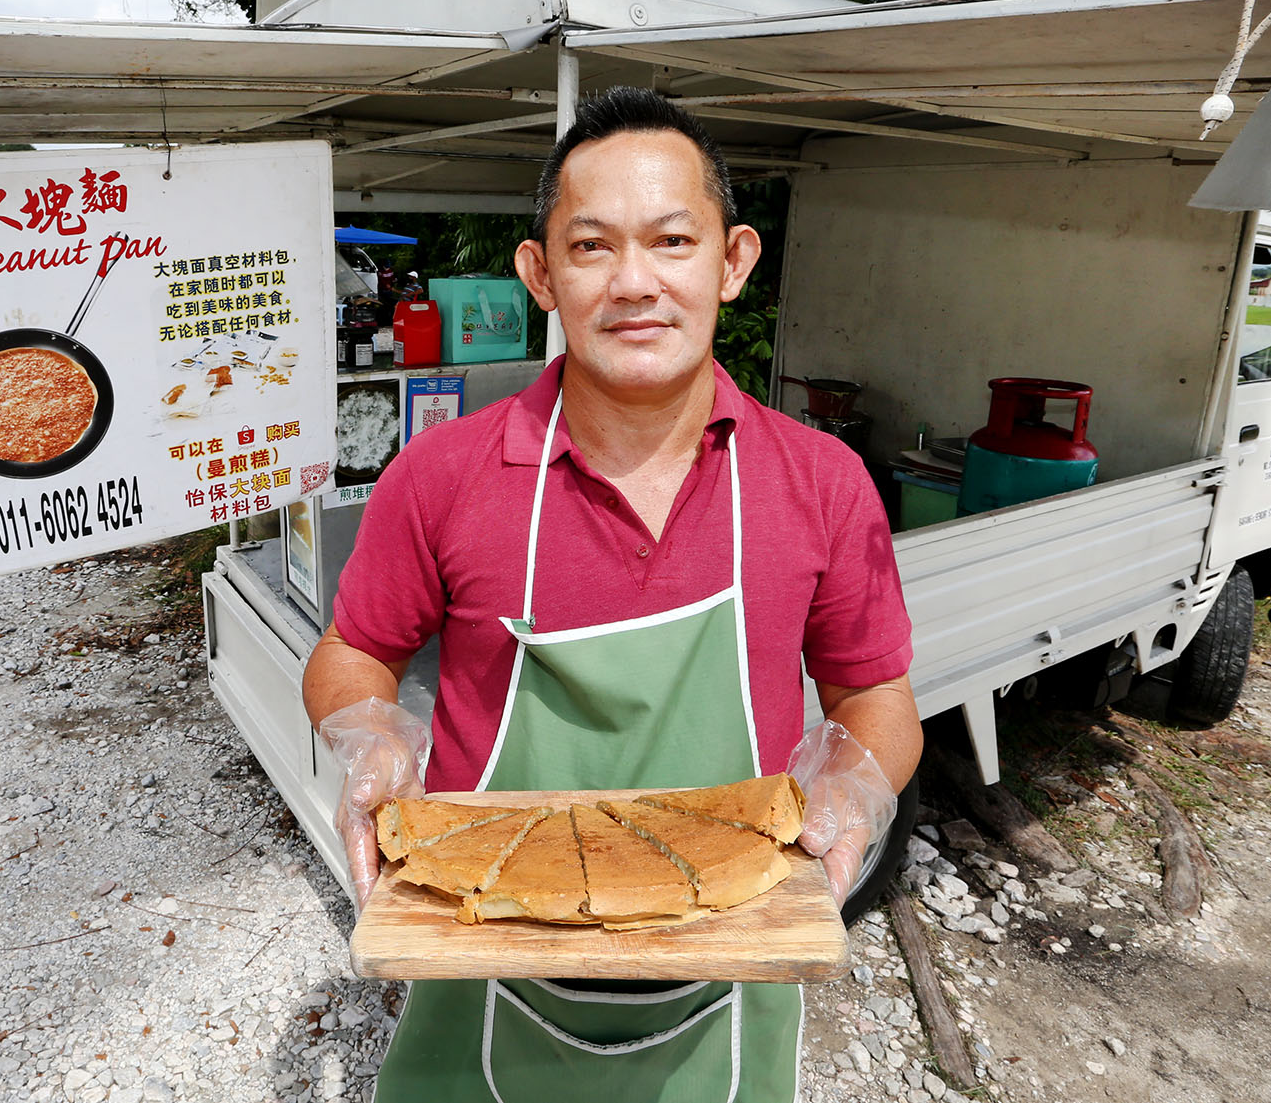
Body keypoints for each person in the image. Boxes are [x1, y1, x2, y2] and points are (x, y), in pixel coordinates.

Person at [302, 86, 922, 1102]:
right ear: (539, 275)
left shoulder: (817, 482)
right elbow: (353, 652)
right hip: (484, 954)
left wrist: (857, 787)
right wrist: (367, 736)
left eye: (671, 240)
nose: (634, 282)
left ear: (731, 263)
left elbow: (875, 698)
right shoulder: (445, 473)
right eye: (591, 248)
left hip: (726, 974)